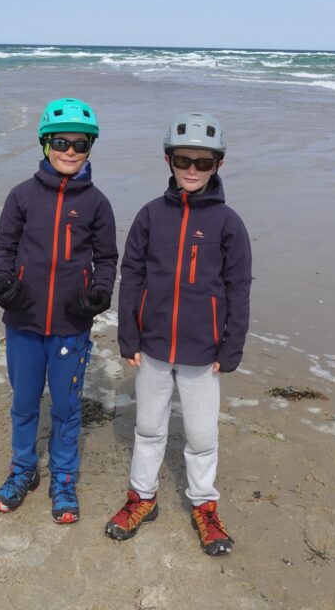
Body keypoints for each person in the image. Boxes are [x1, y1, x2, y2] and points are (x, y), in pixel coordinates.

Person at [105, 112, 252, 556]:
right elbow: (132, 276)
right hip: (152, 347)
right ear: (168, 159)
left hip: (202, 353)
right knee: (148, 428)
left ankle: (204, 506)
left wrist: (231, 345)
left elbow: (238, 289)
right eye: (183, 159)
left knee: (202, 437)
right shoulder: (151, 215)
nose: (192, 169)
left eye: (203, 162)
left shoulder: (228, 223)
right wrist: (128, 334)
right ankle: (142, 498)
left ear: (218, 165)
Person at [0, 97, 118, 523]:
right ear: (45, 143)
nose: (70, 151)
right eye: (61, 142)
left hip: (70, 325)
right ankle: (23, 469)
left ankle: (63, 477)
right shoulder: (21, 196)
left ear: (90, 148)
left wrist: (98, 293)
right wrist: (0, 283)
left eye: (81, 144)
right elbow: (5, 249)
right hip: (23, 322)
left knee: (65, 406)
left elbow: (107, 259)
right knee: (25, 403)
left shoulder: (96, 203)